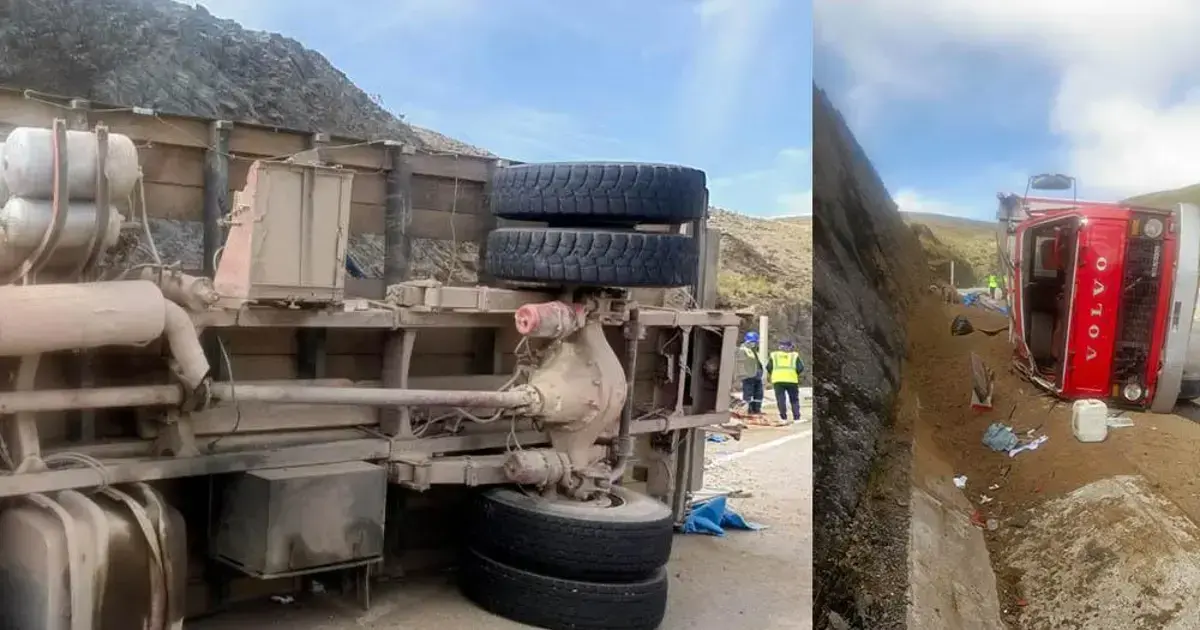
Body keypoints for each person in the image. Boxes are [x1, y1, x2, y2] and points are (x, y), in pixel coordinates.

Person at [766, 340, 804, 422]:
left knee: (780, 399)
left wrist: (774, 374)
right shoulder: (794, 356)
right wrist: (794, 373)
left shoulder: (774, 355)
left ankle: (783, 418)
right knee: (794, 399)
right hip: (792, 380)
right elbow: (800, 367)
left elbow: (768, 367)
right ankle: (796, 418)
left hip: (778, 380)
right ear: (790, 347)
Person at [736, 331, 764, 415]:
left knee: (758, 394)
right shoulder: (742, 350)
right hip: (748, 376)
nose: (755, 344)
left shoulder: (753, 350)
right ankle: (749, 411)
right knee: (748, 394)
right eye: (754, 342)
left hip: (757, 376)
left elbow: (757, 362)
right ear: (748, 341)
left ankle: (757, 410)